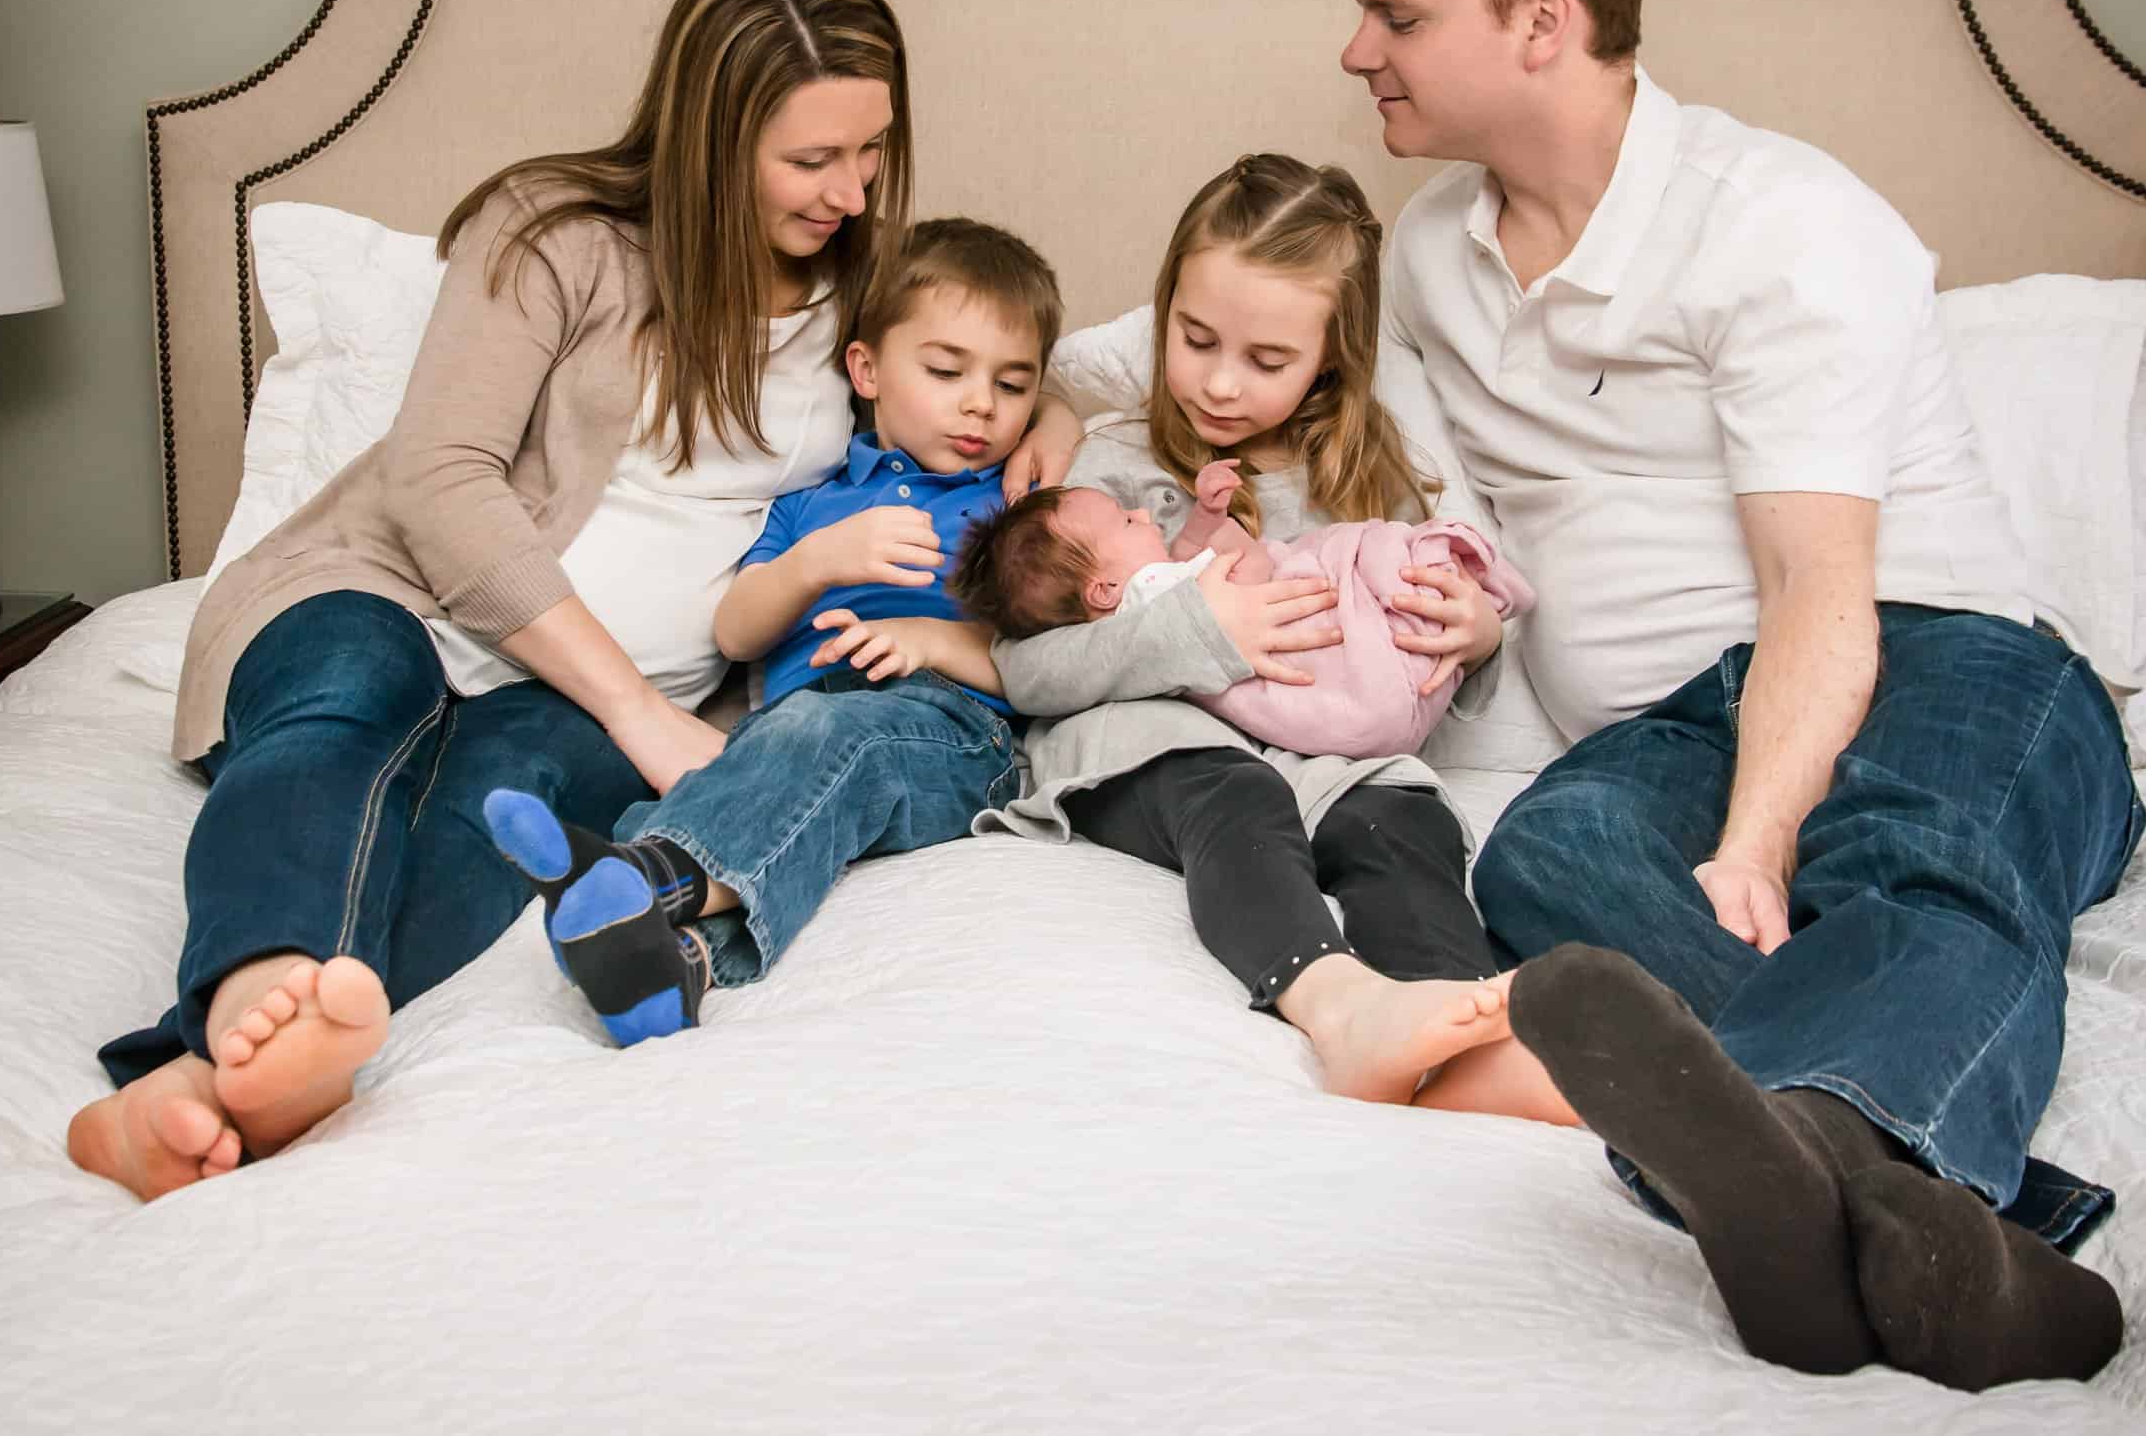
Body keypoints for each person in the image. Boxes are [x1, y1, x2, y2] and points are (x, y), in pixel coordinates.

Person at [67, 0, 1078, 1201]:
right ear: (713, 138)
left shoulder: (869, 278)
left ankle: (190, 1082)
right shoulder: (555, 233)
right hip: (395, 589)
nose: (855, 191)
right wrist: (637, 711)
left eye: (873, 150)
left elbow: (1007, 355)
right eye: (813, 160)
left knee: (499, 821)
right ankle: (261, 995)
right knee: (345, 709)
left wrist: (1056, 425)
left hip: (595, 699)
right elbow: (440, 479)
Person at [1345, 0, 2138, 1388]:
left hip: (1943, 652)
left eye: (1398, 13)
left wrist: (1754, 839)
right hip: (1677, 719)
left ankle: (1843, 1155)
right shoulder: (1428, 252)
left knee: (1914, 858)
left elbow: (1819, 592)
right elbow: (1444, 521)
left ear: (1542, 22)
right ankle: (1951, 1227)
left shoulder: (1779, 222)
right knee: (1551, 846)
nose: (1355, 46)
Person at [980, 152, 1532, 1110]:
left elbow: (1411, 644)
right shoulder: (1110, 467)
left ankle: (1457, 1028)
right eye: (1194, 339)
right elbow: (1025, 669)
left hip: (1322, 757)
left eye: (1267, 361)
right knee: (1233, 794)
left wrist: (1471, 635)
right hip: (1159, 751)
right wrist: (1198, 627)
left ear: (1329, 359)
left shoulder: (1363, 481)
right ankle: (1337, 1007)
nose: (1221, 384)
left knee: (1401, 819)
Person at [483, 218, 1058, 1044]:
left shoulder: (1008, 507)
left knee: (825, 738)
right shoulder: (808, 505)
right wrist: (816, 561)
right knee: (758, 778)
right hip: (793, 728)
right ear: (865, 368)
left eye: (1013, 385)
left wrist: (930, 642)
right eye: (945, 370)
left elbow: (1052, 666)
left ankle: (640, 871)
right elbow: (737, 632)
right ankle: (667, 964)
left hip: (959, 738)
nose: (981, 404)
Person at [955, 456, 1532, 758]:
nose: (1142, 515)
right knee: (1379, 580)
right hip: (1297, 634)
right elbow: (1234, 580)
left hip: (1297, 605)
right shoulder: (1140, 614)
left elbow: (1188, 559)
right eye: (1124, 521)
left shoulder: (1149, 588)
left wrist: (1206, 518)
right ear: (1104, 592)